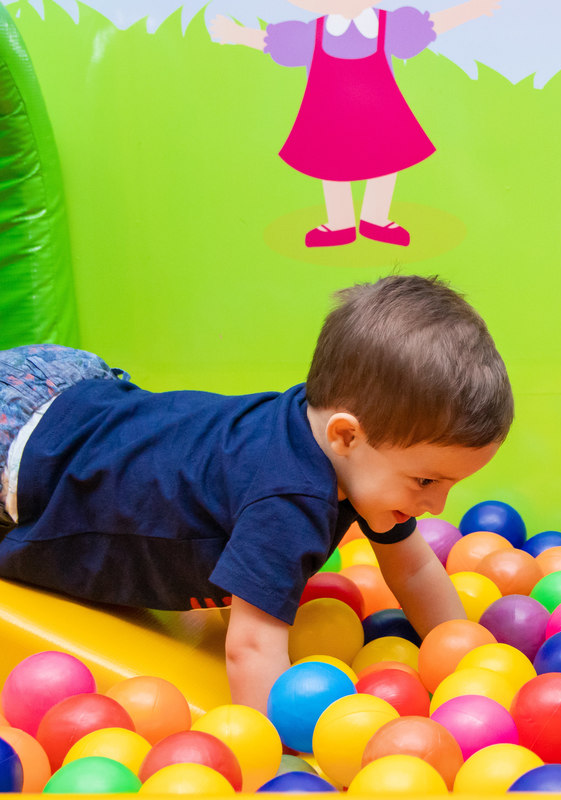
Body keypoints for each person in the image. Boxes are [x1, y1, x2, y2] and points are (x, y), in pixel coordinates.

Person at [0, 275, 513, 714]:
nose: (437, 505)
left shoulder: (345, 449)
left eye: (449, 485)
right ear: (345, 435)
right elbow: (250, 646)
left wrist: (466, 663)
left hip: (67, 384)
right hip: (29, 451)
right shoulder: (289, 503)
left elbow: (414, 567)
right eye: (426, 481)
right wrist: (280, 765)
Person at [210, 0, 500, 248]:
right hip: (327, 118)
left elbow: (430, 26)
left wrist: (471, 10)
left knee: (387, 162)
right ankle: (340, 223)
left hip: (382, 116)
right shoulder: (312, 33)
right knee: (330, 165)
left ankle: (375, 218)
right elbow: (272, 42)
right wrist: (235, 33)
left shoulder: (389, 26)